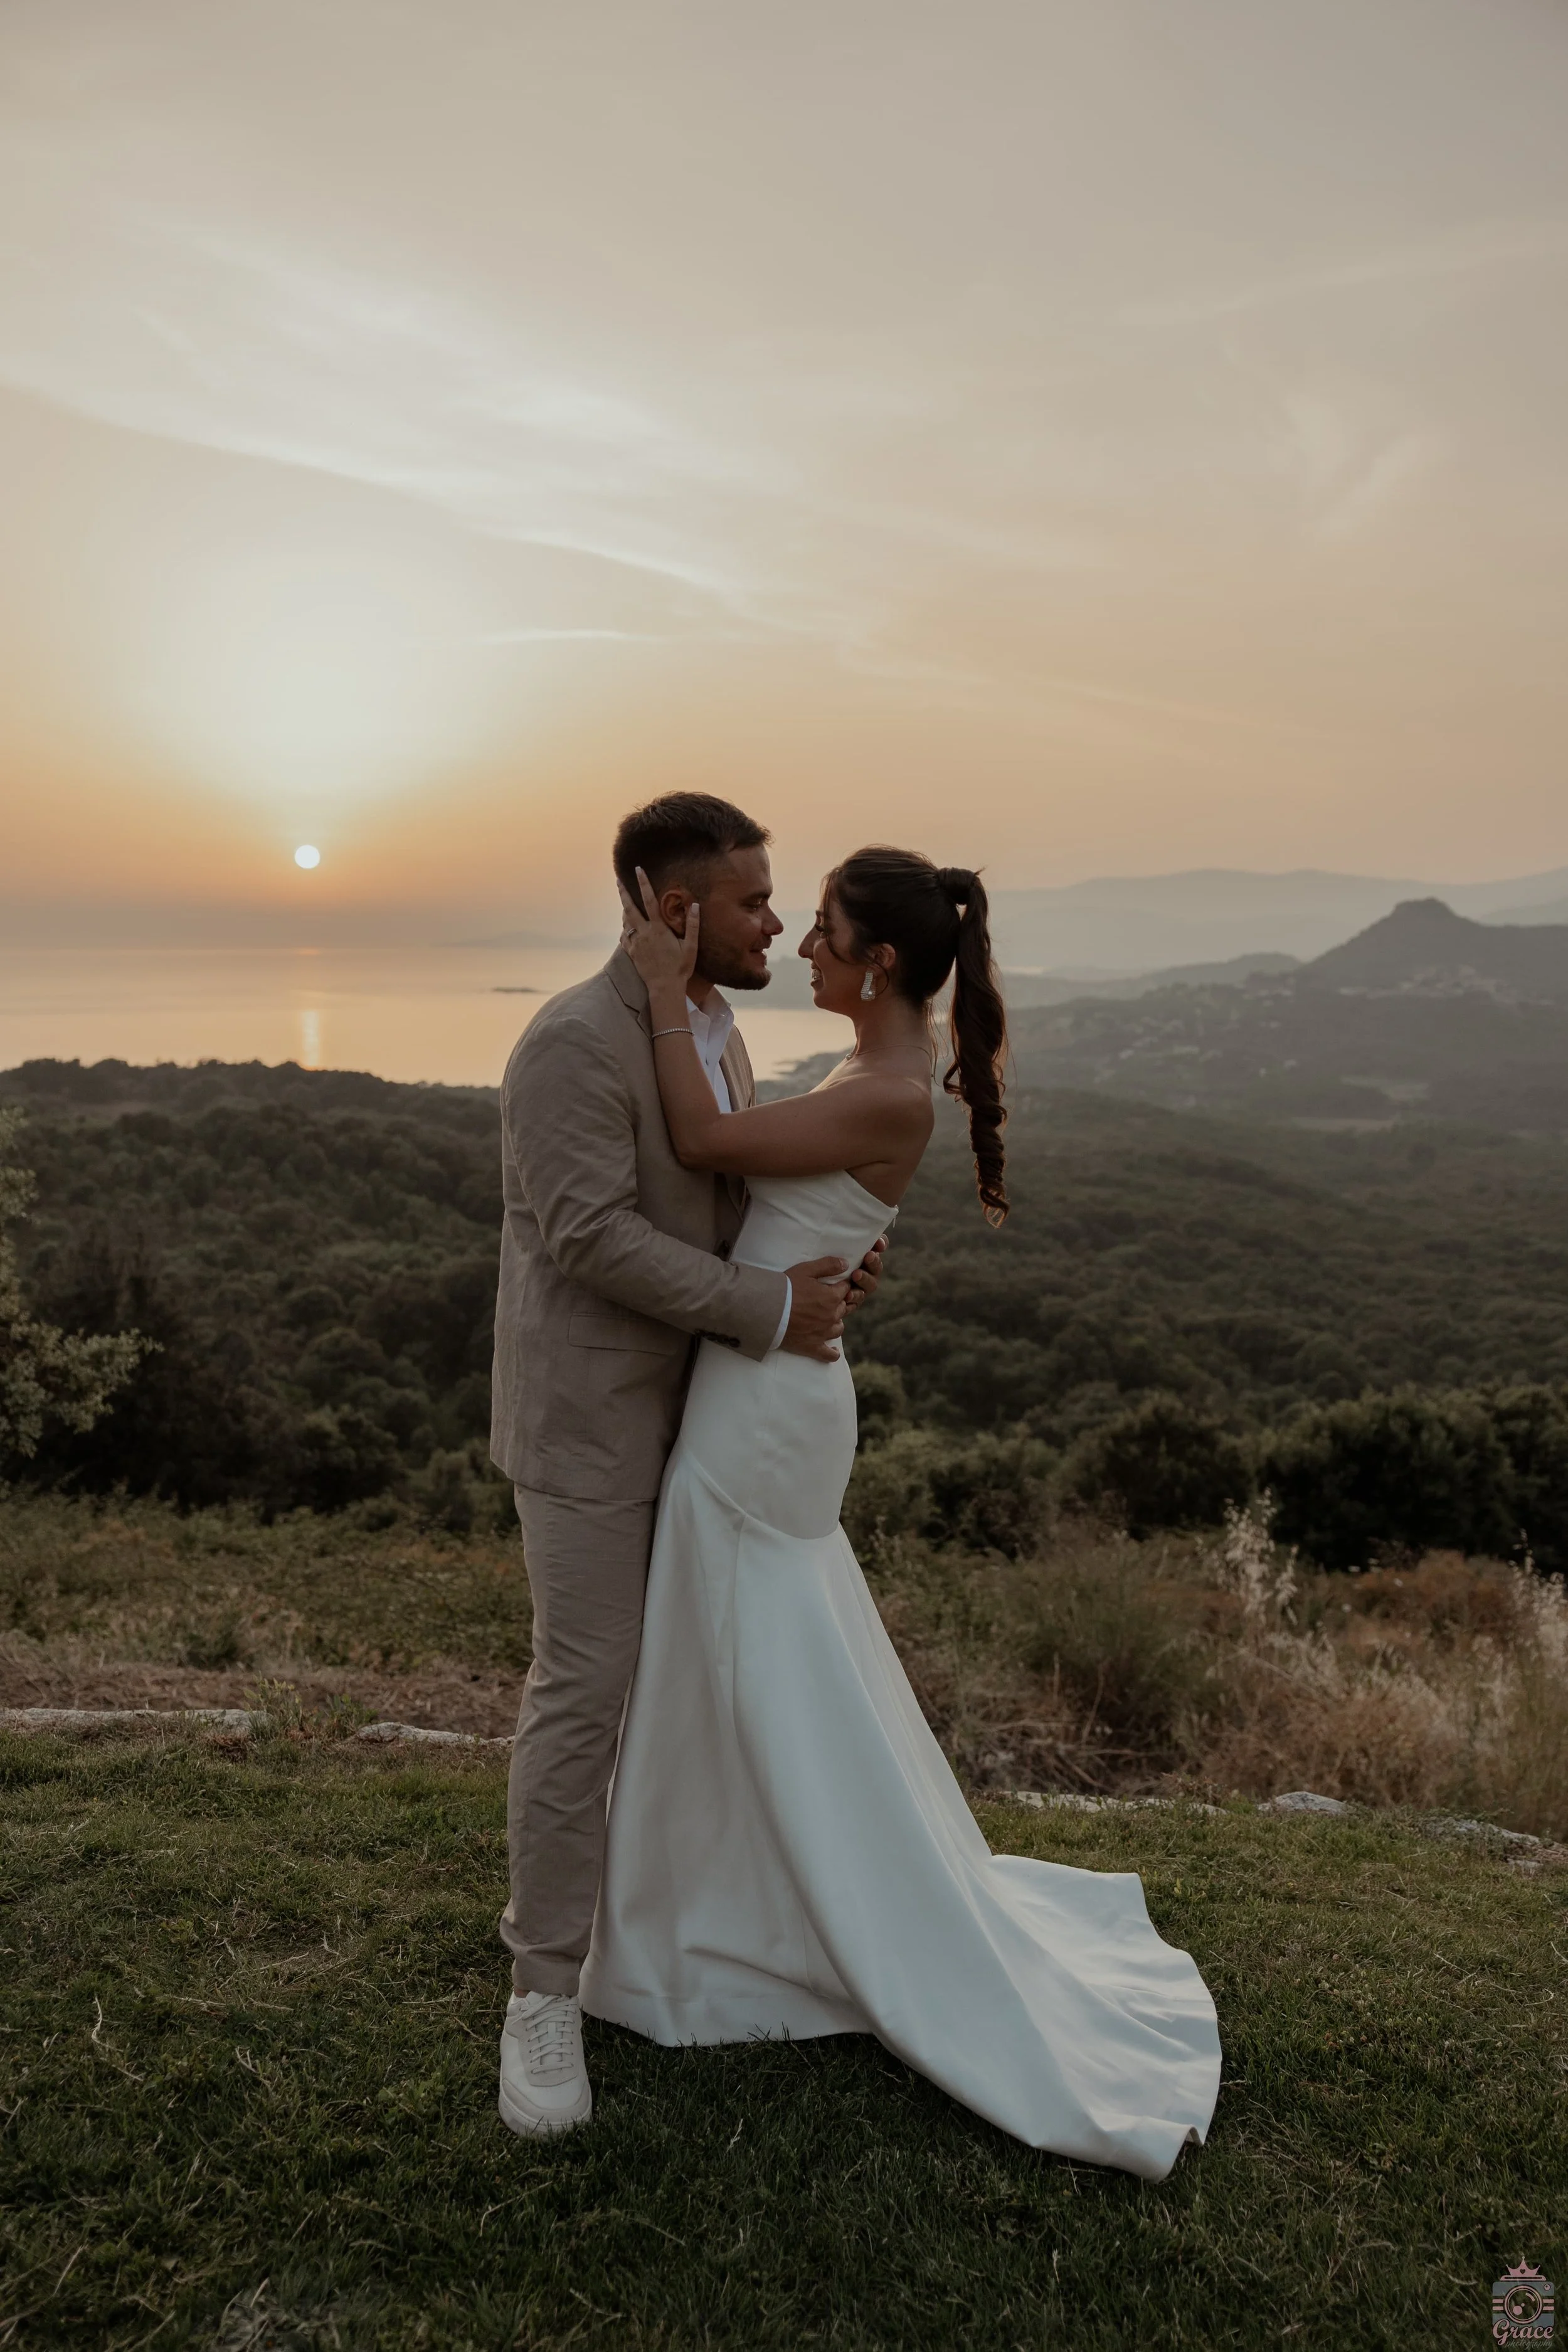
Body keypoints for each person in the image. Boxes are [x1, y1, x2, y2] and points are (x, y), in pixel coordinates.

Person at [577, 842, 1221, 2180]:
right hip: (768, 1381)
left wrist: (654, 983)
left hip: (766, 1411)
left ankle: (774, 1918)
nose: (800, 950)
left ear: (874, 961)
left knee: (756, 1657)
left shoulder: (881, 1090)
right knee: (741, 1651)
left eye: (819, 932)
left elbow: (699, 1141)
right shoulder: (872, 1073)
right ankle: (726, 1900)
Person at [490, 792, 884, 2137]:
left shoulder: (708, 1029)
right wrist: (772, 1311)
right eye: (755, 901)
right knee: (586, 1690)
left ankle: (670, 1936)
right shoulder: (567, 1044)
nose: (777, 921)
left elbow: (728, 1199)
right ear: (677, 911)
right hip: (596, 1429)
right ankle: (540, 1996)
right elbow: (591, 1237)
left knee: (694, 1689)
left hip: (707, 1421)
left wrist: (820, 1258)